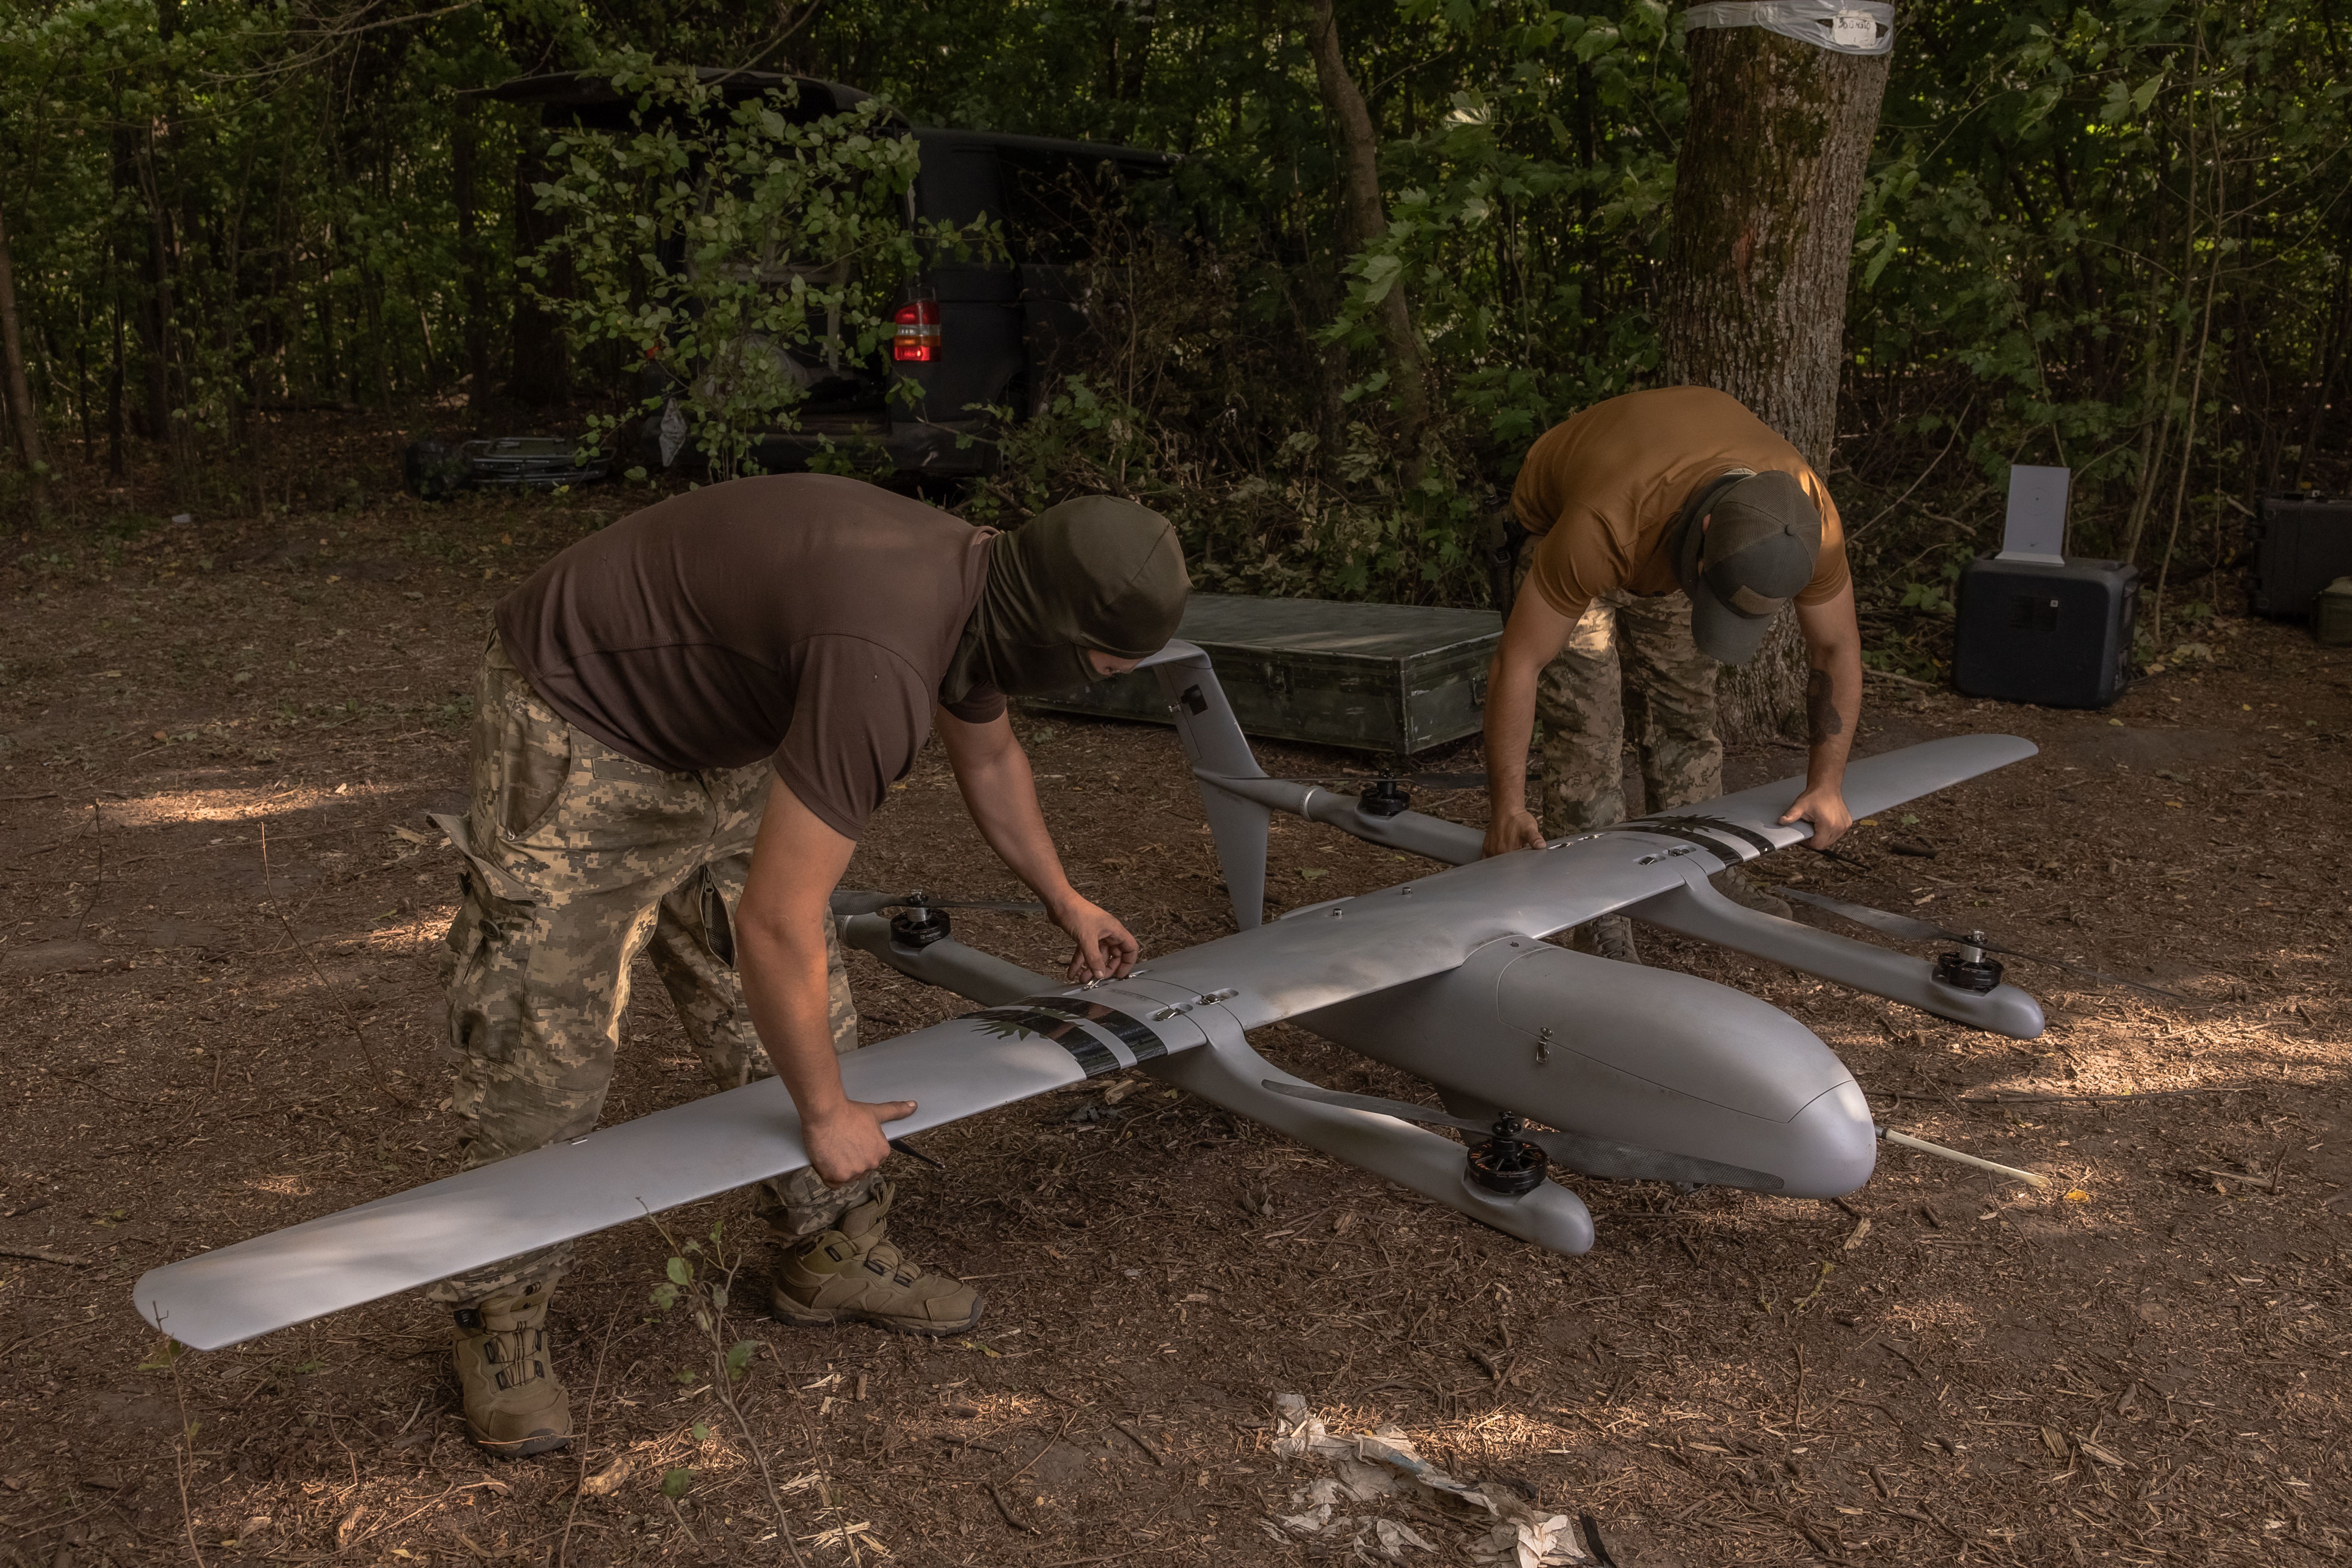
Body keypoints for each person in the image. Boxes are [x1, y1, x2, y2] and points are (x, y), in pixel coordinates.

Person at [429, 474, 1188, 1456]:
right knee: (544, 1040)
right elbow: (773, 923)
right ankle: (501, 1316)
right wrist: (826, 1116)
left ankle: (829, 1244)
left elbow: (992, 758)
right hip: (581, 710)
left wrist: (1065, 897)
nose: (1102, 679)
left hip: (716, 718)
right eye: (1102, 663)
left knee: (802, 1013)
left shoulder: (983, 596)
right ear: (1051, 627)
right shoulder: (884, 654)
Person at [1481, 387, 1861, 959]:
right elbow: (1520, 662)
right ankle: (1598, 907)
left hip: (1670, 527)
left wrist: (1827, 784)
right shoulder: (1601, 526)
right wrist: (1506, 809)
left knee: (1685, 715)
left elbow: (1836, 649)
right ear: (1707, 533)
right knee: (1589, 732)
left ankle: (1701, 865)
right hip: (1571, 521)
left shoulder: (1805, 521)